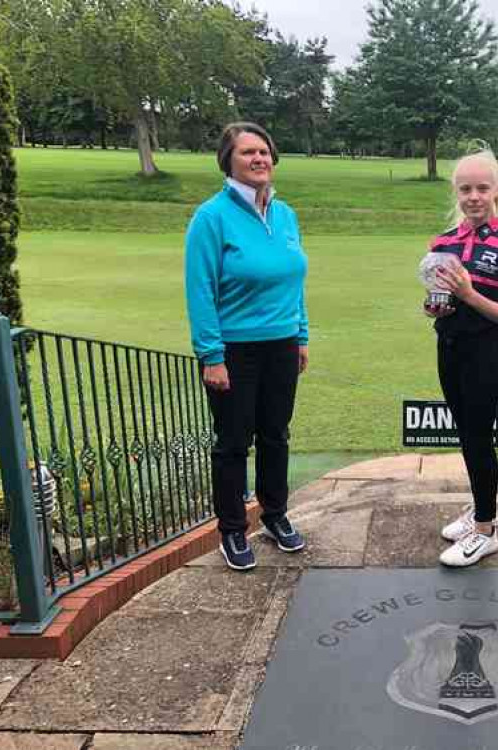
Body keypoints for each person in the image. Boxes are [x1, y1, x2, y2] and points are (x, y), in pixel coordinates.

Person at [185, 122, 309, 571]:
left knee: (276, 435)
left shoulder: (286, 214)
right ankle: (233, 530)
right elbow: (200, 291)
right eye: (248, 153)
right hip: (235, 351)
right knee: (234, 441)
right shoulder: (211, 217)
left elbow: (294, 281)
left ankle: (275, 515)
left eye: (265, 152)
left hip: (281, 344)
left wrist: (301, 334)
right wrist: (211, 356)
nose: (259, 159)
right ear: (228, 161)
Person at [424, 150, 498, 567]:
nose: (473, 197)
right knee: (466, 434)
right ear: (457, 191)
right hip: (447, 347)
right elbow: (436, 299)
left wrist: (469, 294)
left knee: (478, 436)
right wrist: (436, 306)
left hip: (484, 353)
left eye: (482, 188)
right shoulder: (443, 242)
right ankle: (479, 508)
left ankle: (486, 530)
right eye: (465, 188)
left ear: (495, 191)